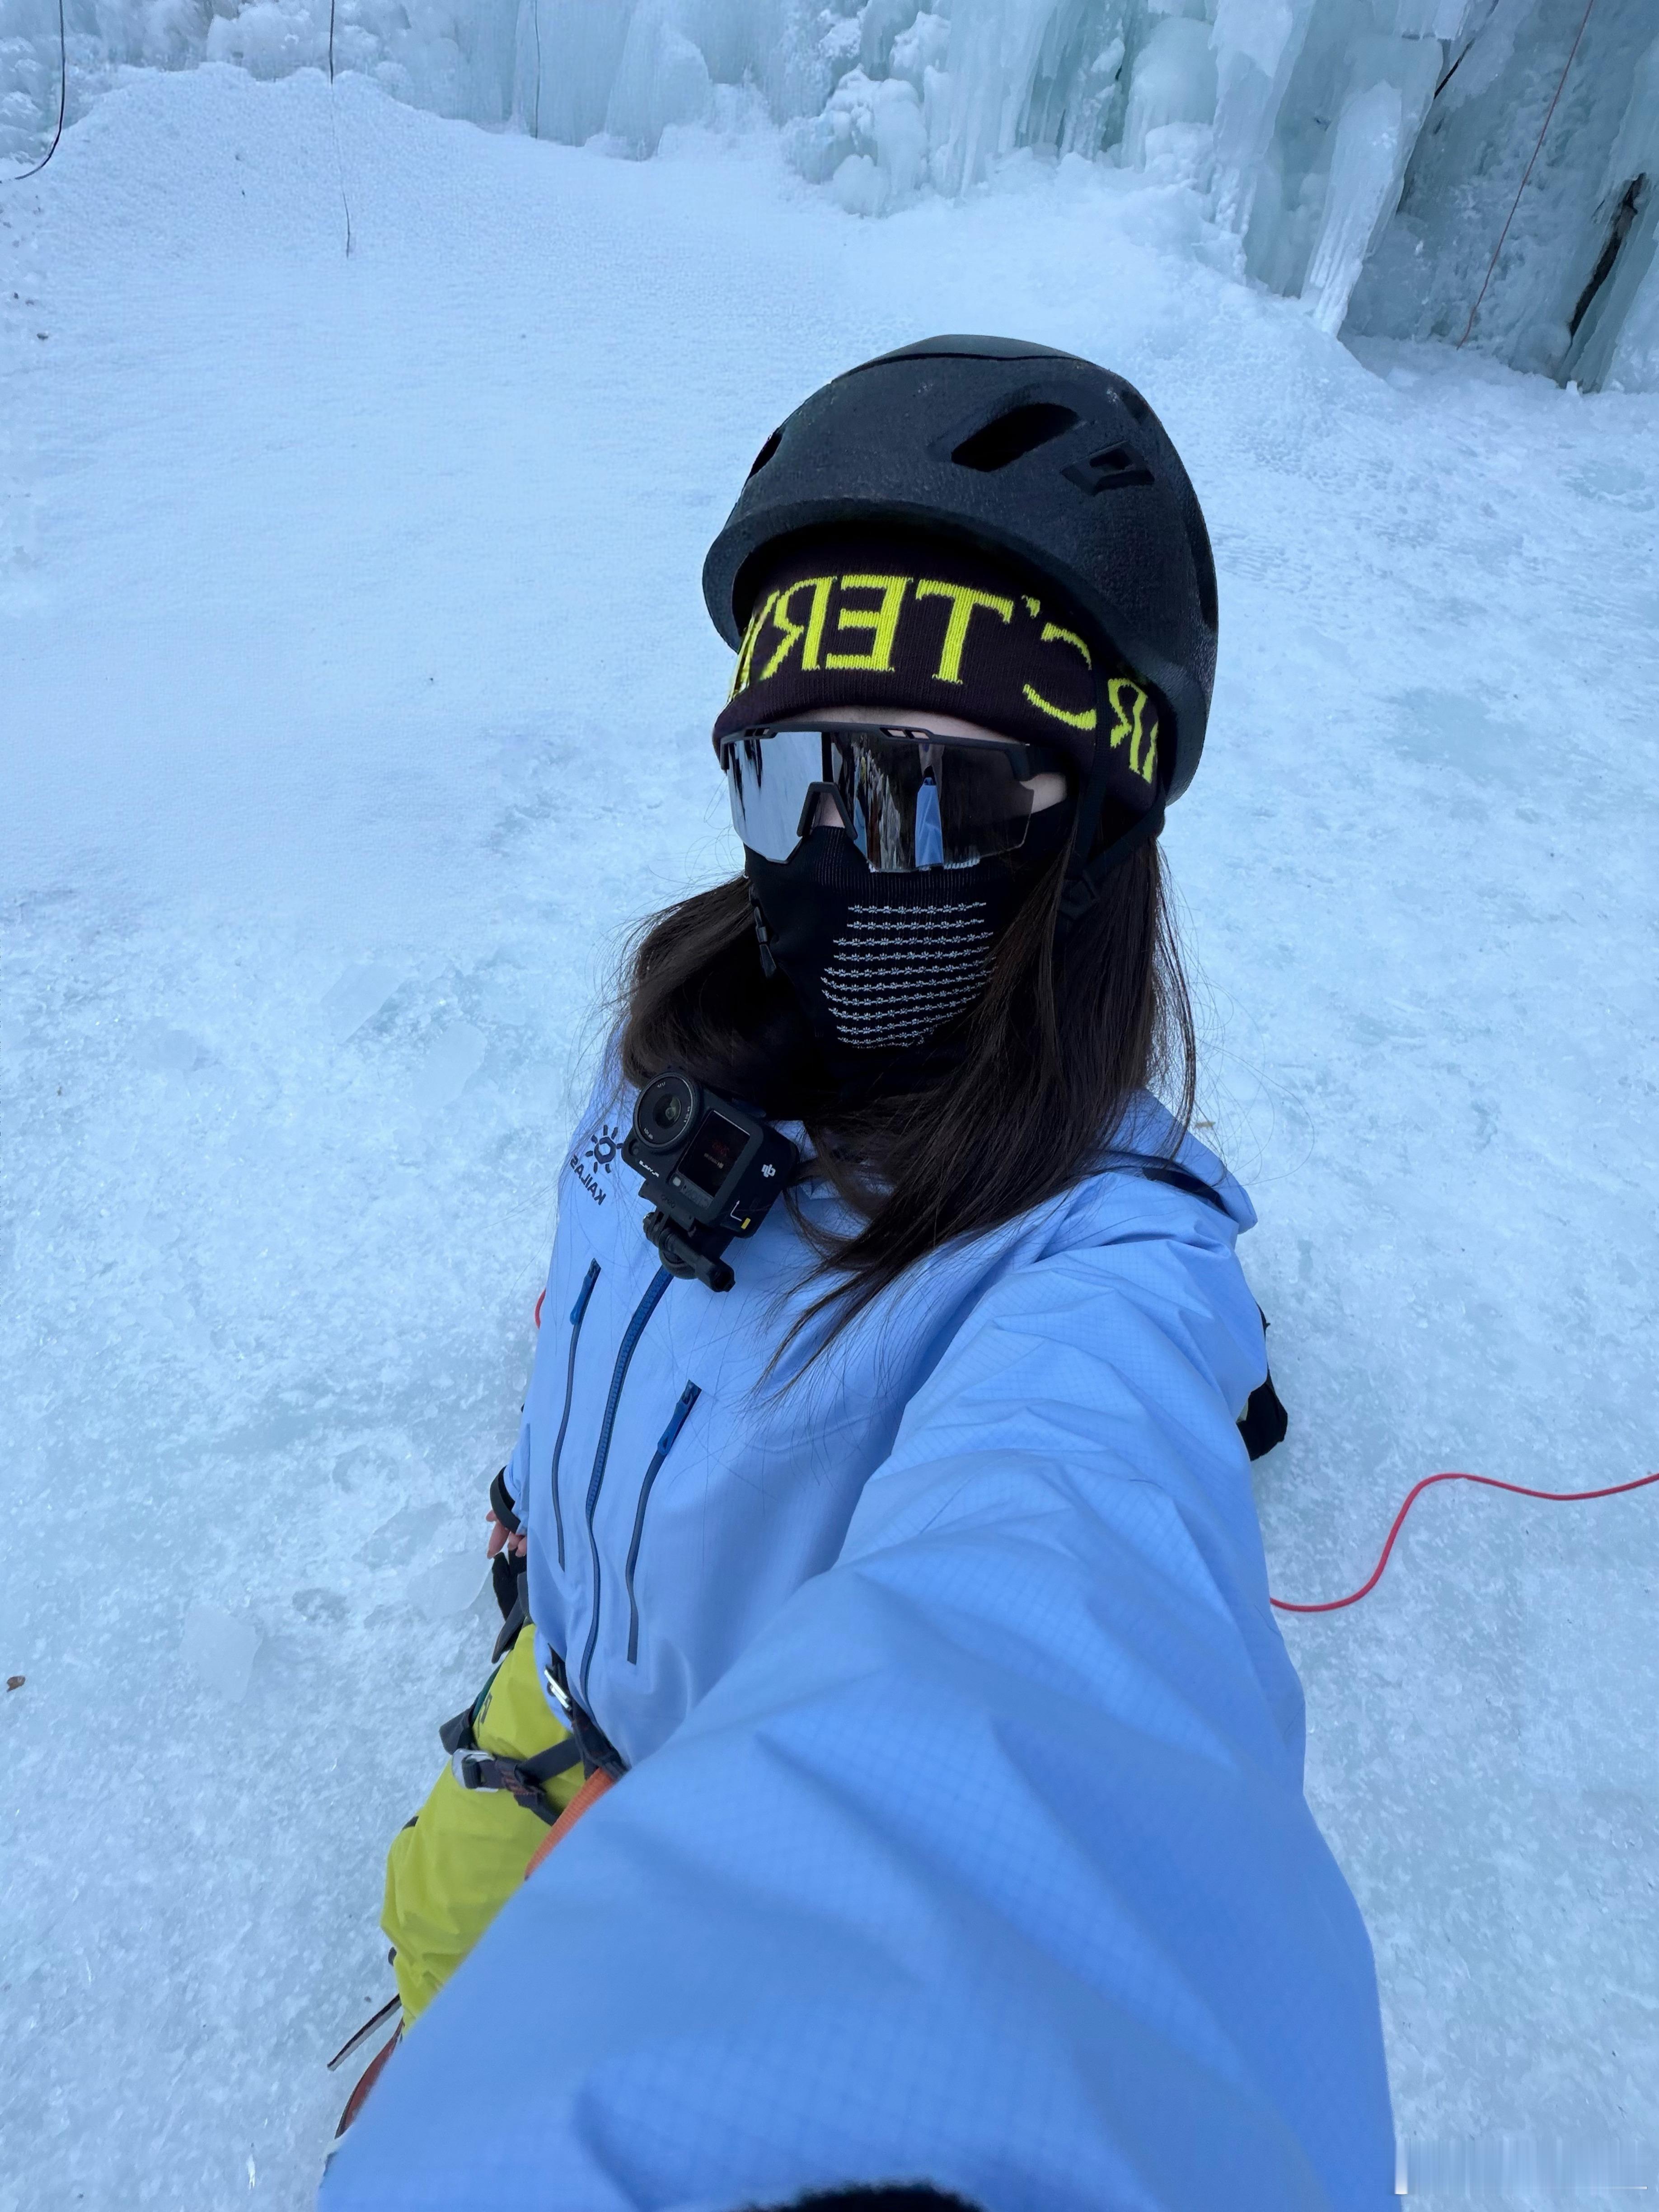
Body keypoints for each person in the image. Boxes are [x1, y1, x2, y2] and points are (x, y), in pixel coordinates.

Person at [320, 337, 1395, 2210]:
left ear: (1096, 834)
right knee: (427, 1931)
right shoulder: (682, 1047)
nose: (830, 855)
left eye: (913, 793)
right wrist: (545, 1504)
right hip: (554, 1695)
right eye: (784, 780)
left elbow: (1055, 1715)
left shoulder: (1091, 1271)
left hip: (722, 1801)